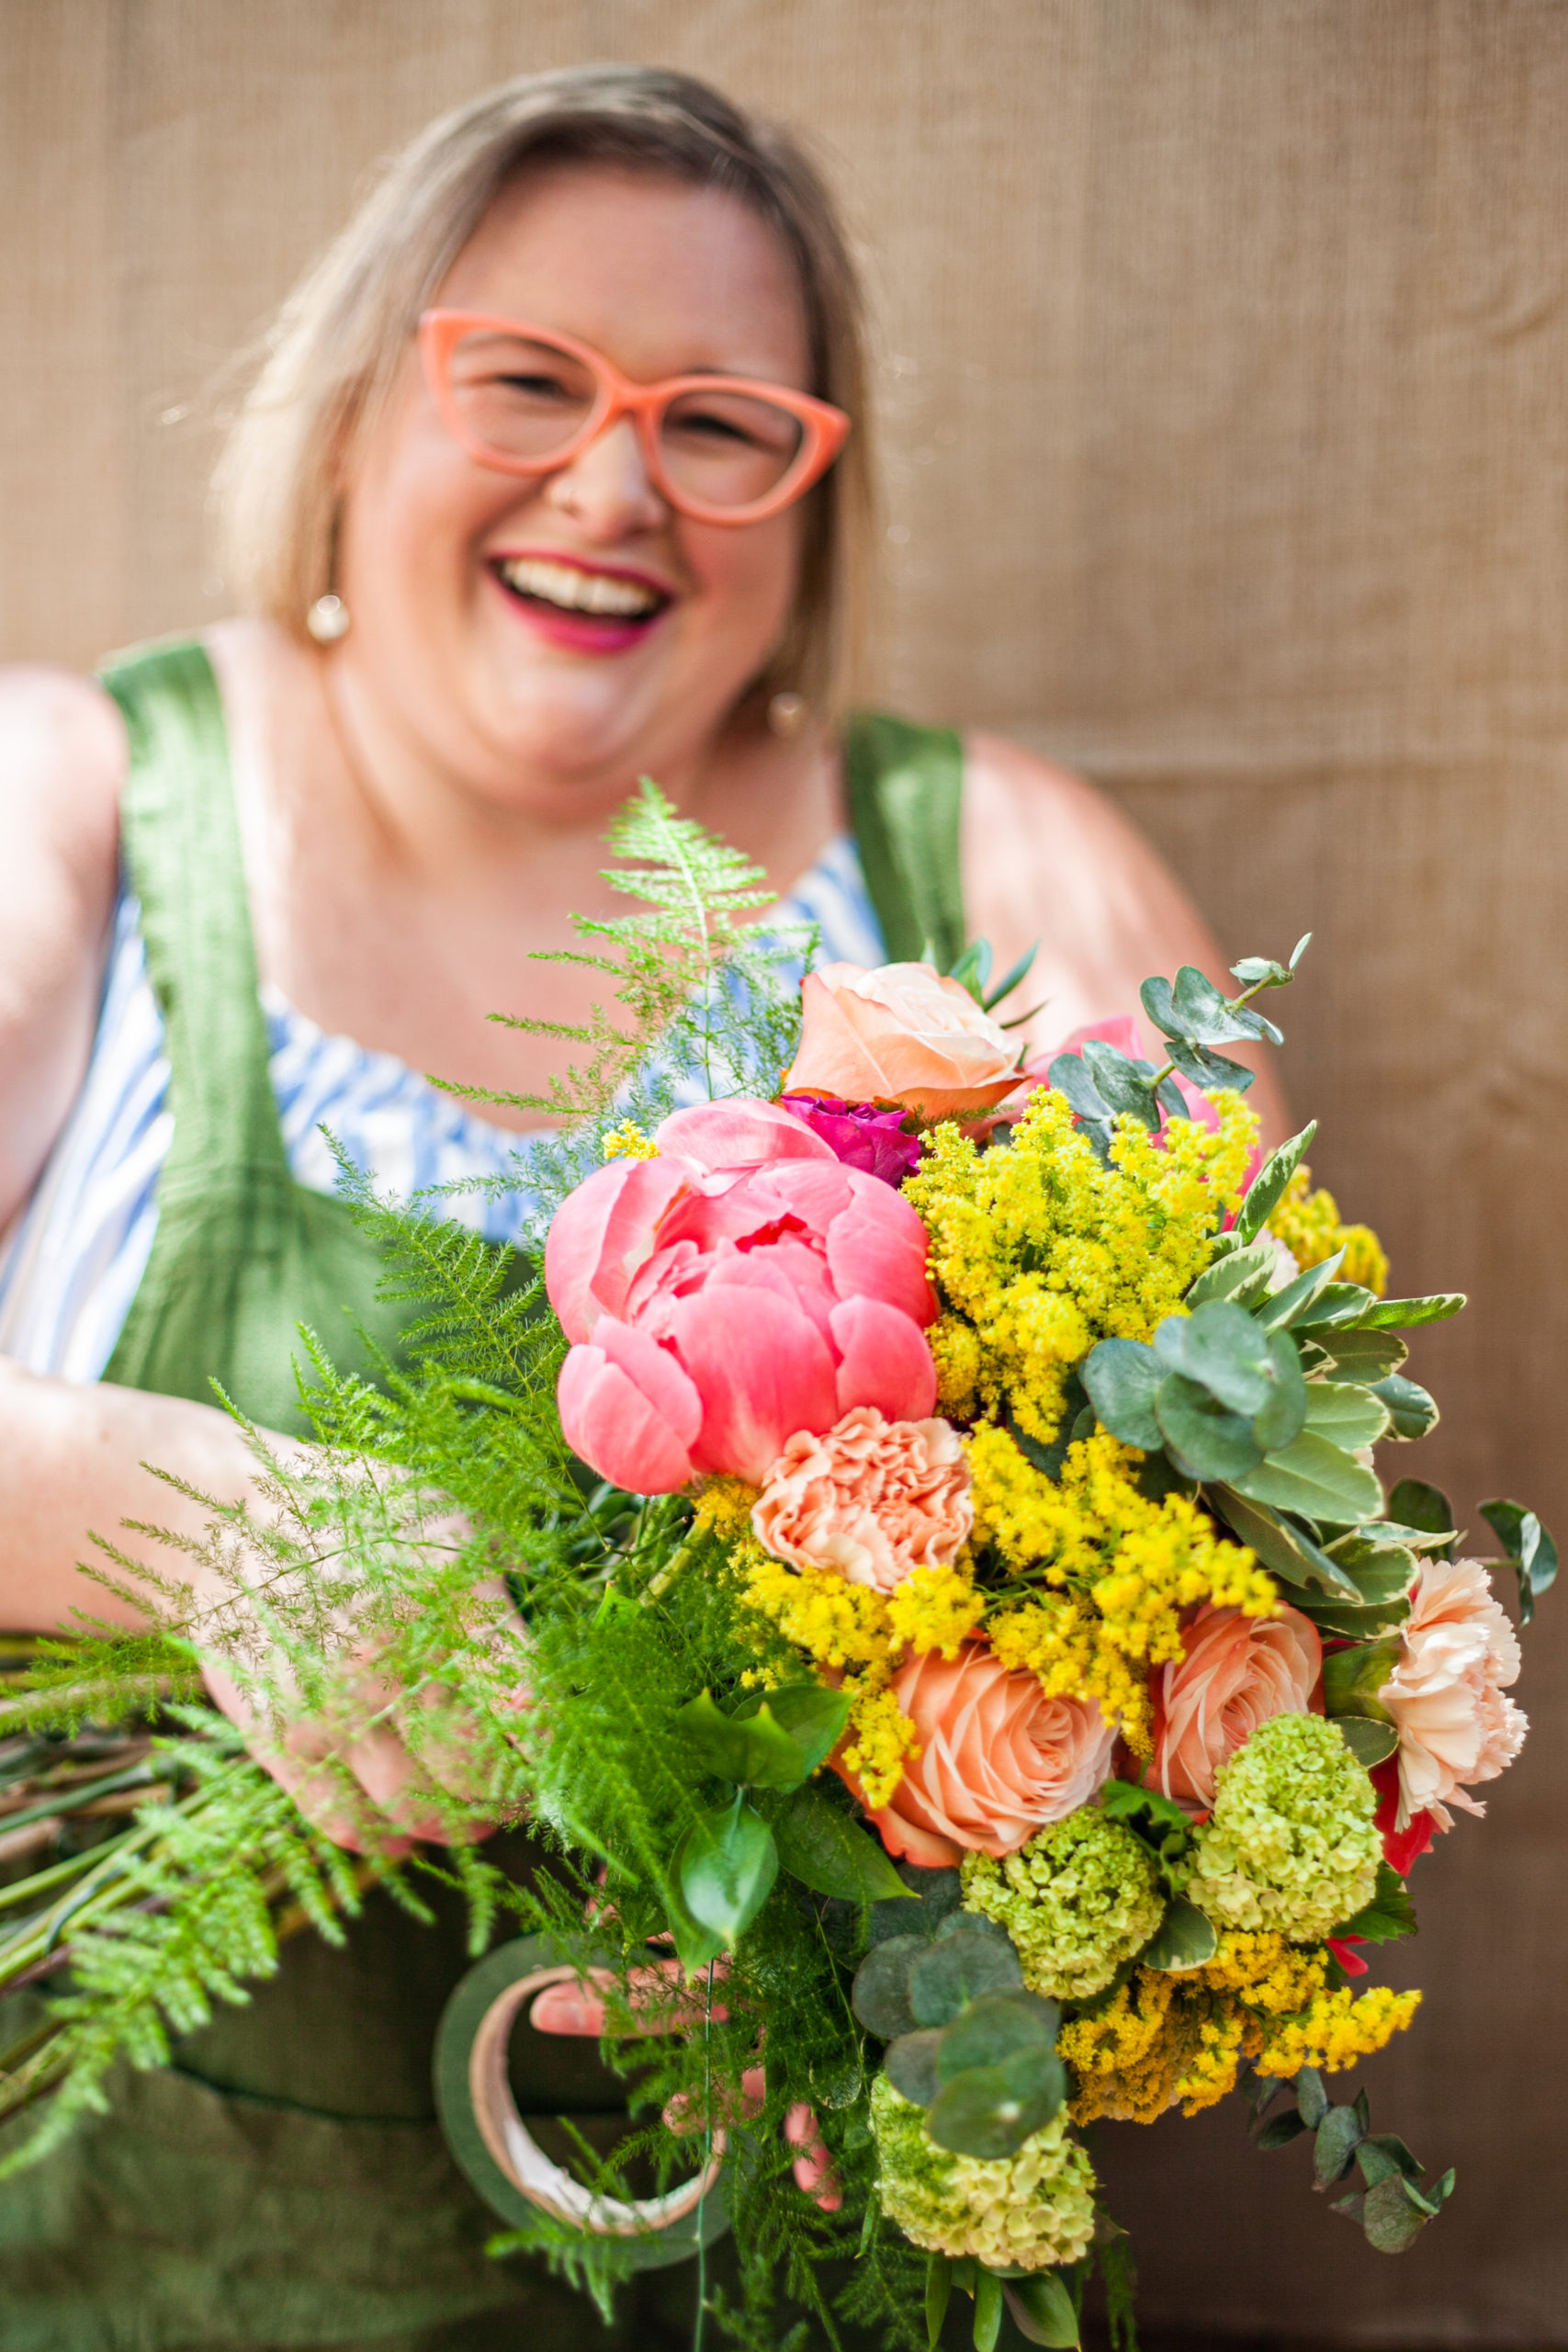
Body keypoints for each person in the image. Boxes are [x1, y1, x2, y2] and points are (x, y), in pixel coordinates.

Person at [0, 63, 1287, 2349]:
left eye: (721, 424)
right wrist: (185, 1503)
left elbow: (1266, 1545)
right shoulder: (72, 804)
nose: (612, 486)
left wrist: (982, 1976)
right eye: (520, 380)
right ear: (341, 423)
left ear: (812, 497)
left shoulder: (1000, 872)